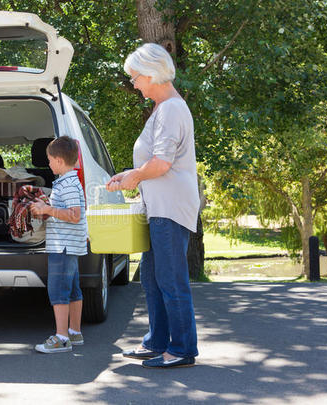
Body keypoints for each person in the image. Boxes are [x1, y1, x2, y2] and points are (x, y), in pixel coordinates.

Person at [106, 43, 200, 368]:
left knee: (171, 281)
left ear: (151, 73)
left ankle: (182, 349)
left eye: (135, 78)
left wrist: (134, 177)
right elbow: (154, 165)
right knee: (151, 279)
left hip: (170, 209)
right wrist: (130, 177)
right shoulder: (163, 109)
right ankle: (156, 342)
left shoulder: (172, 109)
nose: (133, 84)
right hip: (157, 209)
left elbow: (161, 164)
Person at [30, 136, 87, 353]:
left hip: (62, 247)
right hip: (69, 246)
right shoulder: (69, 181)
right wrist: (47, 206)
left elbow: (74, 215)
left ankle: (62, 337)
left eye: (50, 160)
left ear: (60, 161)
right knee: (73, 290)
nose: (49, 164)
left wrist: (47, 210)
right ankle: (75, 332)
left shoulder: (69, 184)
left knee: (58, 291)